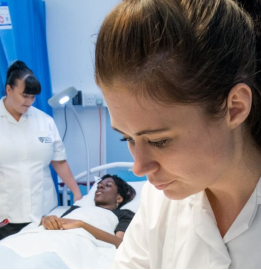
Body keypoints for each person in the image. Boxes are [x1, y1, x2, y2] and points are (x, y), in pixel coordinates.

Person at [95, 0, 261, 268]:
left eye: (159, 141)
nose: (139, 168)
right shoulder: (158, 201)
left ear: (234, 108)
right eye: (127, 138)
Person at [0, 60, 82, 240]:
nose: (29, 101)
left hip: (44, 215)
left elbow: (59, 161)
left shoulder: (45, 121)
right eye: (24, 96)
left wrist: (76, 193)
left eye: (33, 97)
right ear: (9, 90)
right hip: (5, 216)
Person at [0, 175, 136, 269]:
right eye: (99, 185)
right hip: (47, 236)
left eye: (107, 186)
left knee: (38, 263)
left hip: (74, 242)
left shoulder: (123, 214)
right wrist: (46, 220)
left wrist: (81, 224)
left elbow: (119, 243)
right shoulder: (76, 208)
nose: (100, 187)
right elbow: (60, 223)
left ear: (119, 197)